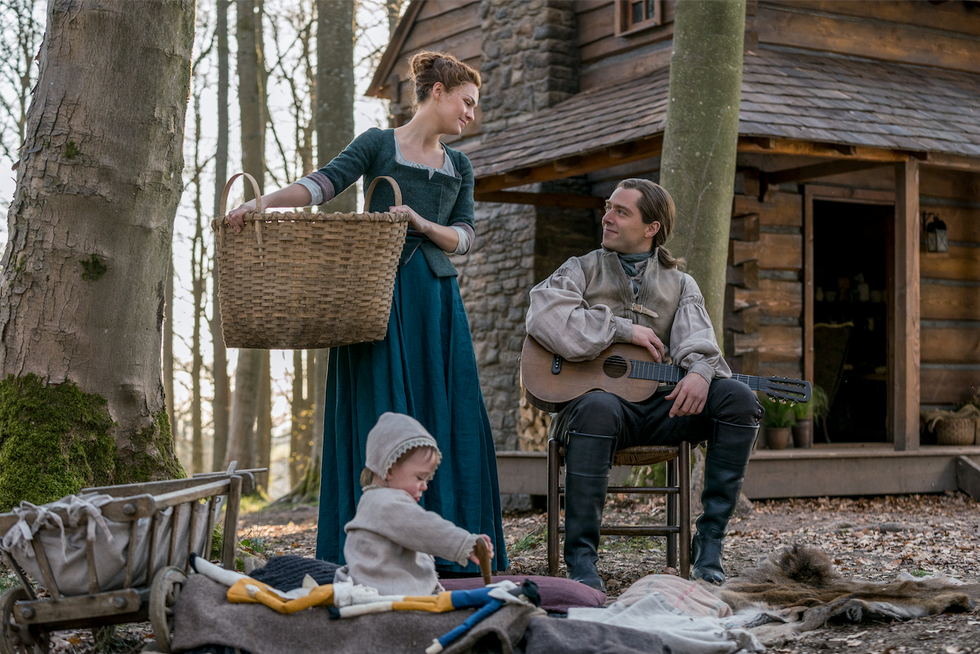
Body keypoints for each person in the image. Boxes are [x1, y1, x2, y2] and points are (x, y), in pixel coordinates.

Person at [226, 51, 507, 575]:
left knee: (444, 411)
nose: (471, 113)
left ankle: (452, 545)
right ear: (438, 92)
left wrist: (420, 221)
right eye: (466, 102)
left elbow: (464, 237)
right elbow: (321, 184)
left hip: (435, 302)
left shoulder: (459, 166)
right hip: (371, 296)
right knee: (381, 410)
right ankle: (373, 547)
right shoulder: (377, 143)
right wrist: (262, 203)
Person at [525, 178, 763, 590]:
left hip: (660, 409)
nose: (608, 217)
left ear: (652, 227)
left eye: (621, 211)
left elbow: (698, 344)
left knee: (739, 398)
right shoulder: (580, 268)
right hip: (590, 412)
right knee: (600, 406)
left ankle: (709, 547)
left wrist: (700, 375)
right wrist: (622, 330)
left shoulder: (681, 284)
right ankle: (582, 559)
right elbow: (544, 316)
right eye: (608, 207)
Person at [334, 412, 494, 596]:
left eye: (427, 479)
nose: (425, 486)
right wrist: (465, 543)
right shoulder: (386, 503)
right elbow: (427, 529)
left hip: (382, 585)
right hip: (385, 590)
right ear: (390, 469)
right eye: (419, 478)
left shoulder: (373, 500)